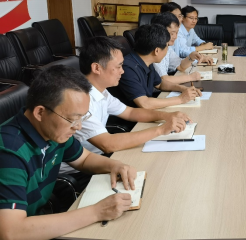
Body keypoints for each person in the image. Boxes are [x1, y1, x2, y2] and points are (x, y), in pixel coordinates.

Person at [0, 66, 138, 240]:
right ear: (40, 112)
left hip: (37, 224)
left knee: (115, 237)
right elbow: (12, 235)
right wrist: (96, 212)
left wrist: (115, 165)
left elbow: (84, 159)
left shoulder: (53, 131)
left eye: (83, 117)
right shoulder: (9, 150)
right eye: (73, 119)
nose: (78, 127)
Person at [58, 37, 193, 189]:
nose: (122, 71)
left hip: (100, 157)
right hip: (79, 171)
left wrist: (166, 116)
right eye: (118, 66)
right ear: (97, 68)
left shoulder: (101, 91)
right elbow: (108, 144)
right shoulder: (79, 100)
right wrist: (160, 130)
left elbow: (130, 112)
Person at [116, 24, 201, 109]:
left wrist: (183, 89)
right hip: (135, 115)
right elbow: (144, 103)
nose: (167, 50)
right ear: (156, 51)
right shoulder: (128, 68)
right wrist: (181, 99)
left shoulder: (146, 61)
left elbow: (160, 84)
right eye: (167, 46)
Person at [151, 12, 210, 84]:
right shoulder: (156, 49)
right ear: (161, 31)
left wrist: (191, 57)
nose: (175, 37)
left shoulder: (167, 47)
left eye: (177, 33)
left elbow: (180, 66)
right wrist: (190, 77)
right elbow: (163, 80)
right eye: (172, 33)